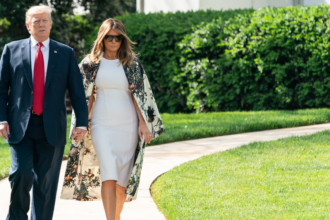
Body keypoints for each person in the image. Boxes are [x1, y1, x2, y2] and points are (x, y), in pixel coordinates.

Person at [60, 18, 165, 220]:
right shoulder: (90, 63)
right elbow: (85, 97)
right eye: (109, 37)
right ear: (102, 38)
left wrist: (144, 123)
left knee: (121, 185)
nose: (113, 41)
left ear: (123, 39)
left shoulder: (132, 63)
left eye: (117, 37)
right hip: (101, 125)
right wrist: (81, 125)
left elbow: (140, 96)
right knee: (108, 175)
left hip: (128, 125)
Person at [0, 5, 88, 220]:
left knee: (46, 183)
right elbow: (1, 89)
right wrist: (2, 119)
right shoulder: (11, 49)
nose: (41, 24)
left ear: (50, 24)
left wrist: (82, 123)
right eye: (36, 21)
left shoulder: (65, 53)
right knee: (20, 174)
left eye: (45, 20)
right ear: (28, 25)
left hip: (52, 127)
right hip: (20, 126)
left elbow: (77, 91)